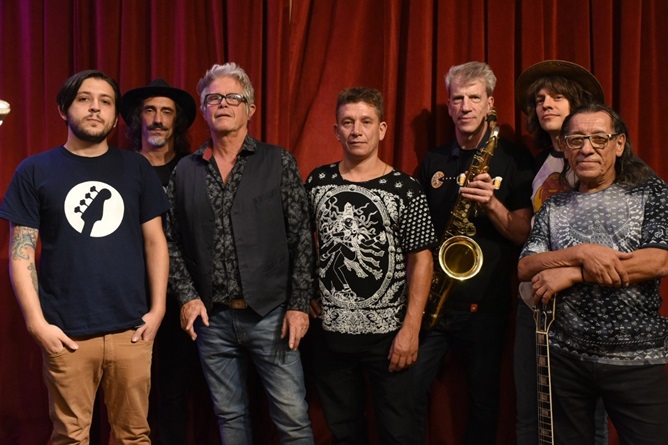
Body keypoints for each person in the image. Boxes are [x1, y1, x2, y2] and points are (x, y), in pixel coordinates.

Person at [0, 70, 169, 444]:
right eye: (84, 99)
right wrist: (36, 324)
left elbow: (155, 242)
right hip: (66, 333)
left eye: (105, 101)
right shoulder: (34, 170)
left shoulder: (137, 167)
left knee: (134, 435)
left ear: (115, 116)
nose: (95, 107)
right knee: (70, 437)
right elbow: (21, 251)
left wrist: (158, 310)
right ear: (64, 109)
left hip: (131, 330)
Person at [165, 62, 314, 444]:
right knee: (229, 418)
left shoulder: (278, 161)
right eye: (214, 98)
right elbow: (170, 242)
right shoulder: (184, 171)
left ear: (250, 108)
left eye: (234, 97)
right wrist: (187, 297)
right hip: (212, 320)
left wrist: (299, 304)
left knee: (293, 419)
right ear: (203, 109)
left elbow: (301, 236)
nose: (223, 104)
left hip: (271, 315)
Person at [518, 103, 668, 445]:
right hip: (565, 359)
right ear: (565, 147)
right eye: (576, 140)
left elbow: (659, 261)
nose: (586, 148)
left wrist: (574, 274)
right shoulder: (553, 206)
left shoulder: (651, 192)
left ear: (619, 144)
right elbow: (525, 266)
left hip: (636, 357)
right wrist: (581, 253)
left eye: (599, 138)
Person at [305, 86, 437, 444]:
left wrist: (411, 329)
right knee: (344, 433)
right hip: (330, 336)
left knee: (399, 433)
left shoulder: (405, 188)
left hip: (389, 337)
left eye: (365, 122)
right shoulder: (317, 181)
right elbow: (300, 244)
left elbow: (422, 260)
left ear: (381, 129)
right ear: (336, 131)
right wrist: (306, 293)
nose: (356, 130)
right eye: (347, 122)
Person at [413, 61, 534, 444]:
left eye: (474, 98)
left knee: (483, 401)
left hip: (486, 306)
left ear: (490, 103)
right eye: (457, 99)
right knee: (408, 392)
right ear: (449, 106)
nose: (465, 106)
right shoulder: (433, 161)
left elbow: (523, 233)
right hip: (434, 300)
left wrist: (492, 204)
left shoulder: (514, 159)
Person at [513, 60, 608, 445]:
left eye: (557, 97)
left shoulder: (599, 163)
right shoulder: (536, 162)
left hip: (584, 299)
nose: (546, 105)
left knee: (589, 416)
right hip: (535, 299)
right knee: (530, 410)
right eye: (539, 99)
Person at [120, 78, 199, 445]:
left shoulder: (193, 169)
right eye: (150, 110)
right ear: (138, 118)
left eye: (166, 112)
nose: (157, 119)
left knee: (173, 390)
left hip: (181, 296)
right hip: (128, 295)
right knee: (126, 390)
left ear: (176, 121)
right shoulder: (120, 168)